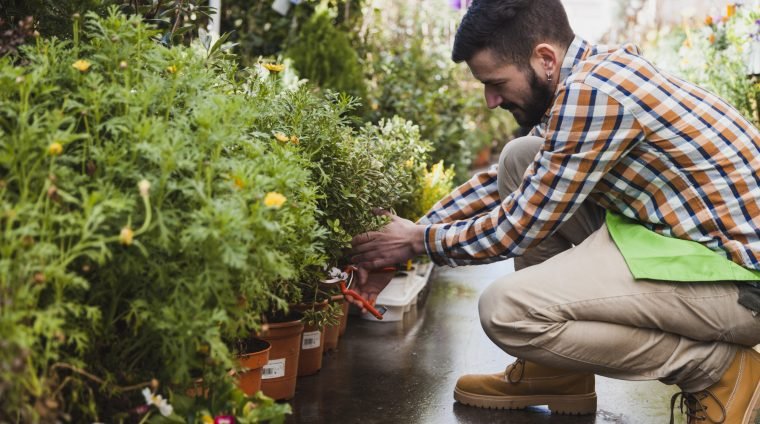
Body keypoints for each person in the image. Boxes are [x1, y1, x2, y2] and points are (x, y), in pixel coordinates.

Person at [348, 0, 760, 422]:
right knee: (519, 158)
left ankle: (718, 371)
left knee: (507, 311)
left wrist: (418, 242)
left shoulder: (594, 92)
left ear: (545, 58)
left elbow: (517, 227)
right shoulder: (590, 77)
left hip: (743, 289)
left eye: (496, 82)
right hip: (695, 251)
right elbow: (510, 184)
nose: (491, 100)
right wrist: (402, 240)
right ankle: (557, 373)